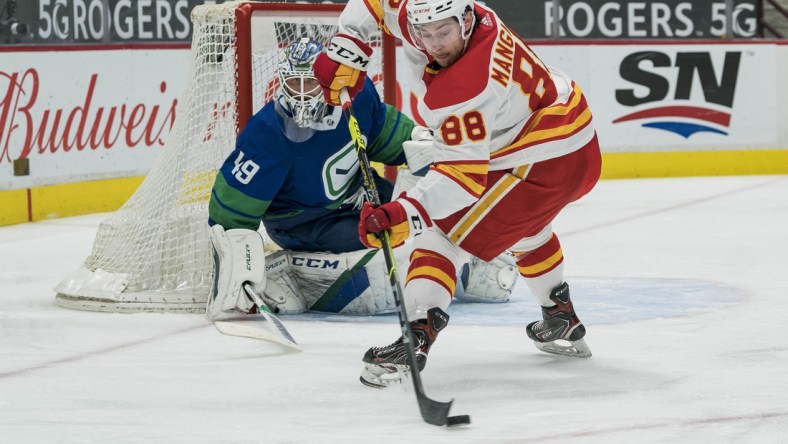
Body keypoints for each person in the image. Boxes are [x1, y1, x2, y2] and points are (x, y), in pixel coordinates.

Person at [314, 0, 602, 387]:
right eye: (424, 33)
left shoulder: (468, 86)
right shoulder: (449, 12)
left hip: (543, 161)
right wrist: (348, 44)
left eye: (444, 32)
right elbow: (374, 5)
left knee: (442, 235)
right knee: (523, 226)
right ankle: (561, 317)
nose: (434, 43)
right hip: (564, 137)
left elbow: (460, 181)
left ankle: (415, 338)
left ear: (466, 22)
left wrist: (404, 212)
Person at [206, 38, 517, 321]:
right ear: (282, 83)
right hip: (304, 222)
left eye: (311, 83)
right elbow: (231, 209)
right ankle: (284, 275)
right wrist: (238, 263)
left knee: (427, 207)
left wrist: (419, 140)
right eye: (294, 82)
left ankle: (465, 256)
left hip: (358, 197)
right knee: (395, 245)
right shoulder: (268, 135)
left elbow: (385, 133)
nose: (302, 93)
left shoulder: (359, 95)